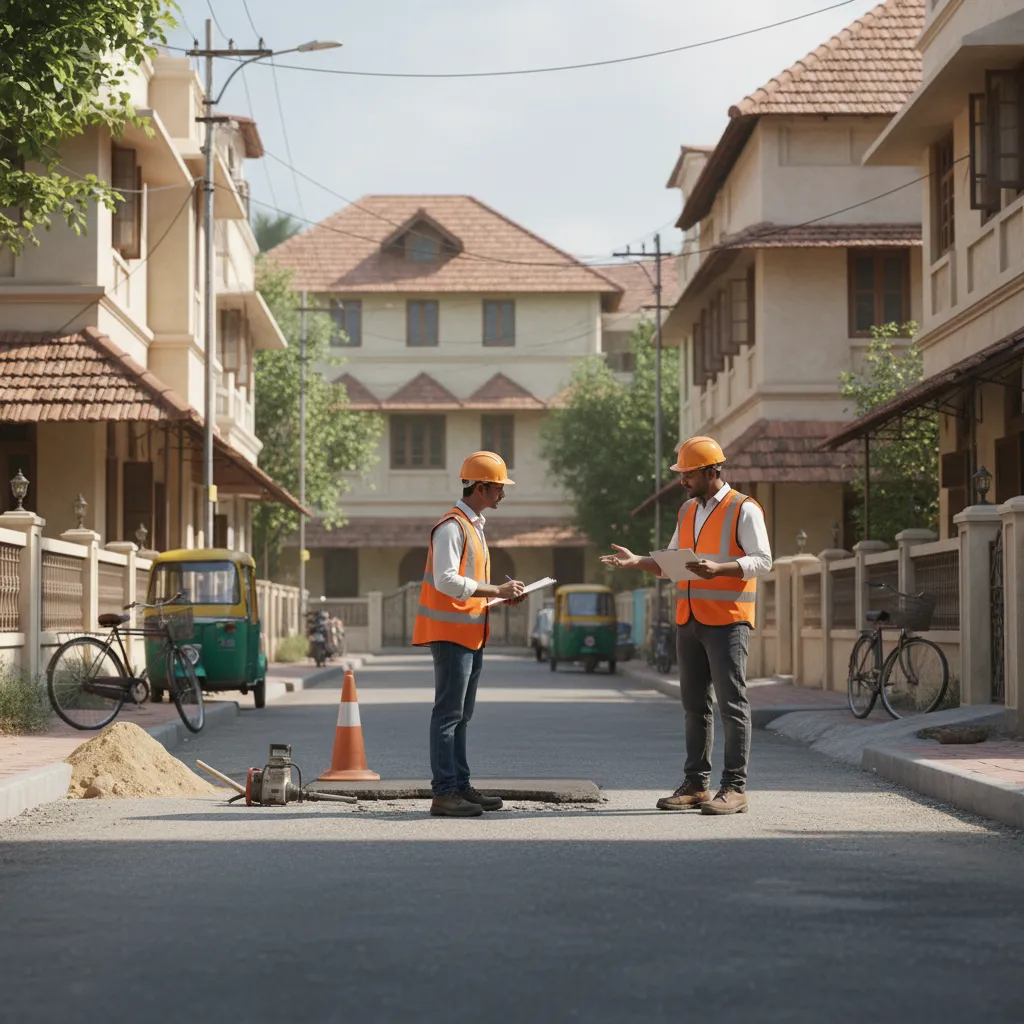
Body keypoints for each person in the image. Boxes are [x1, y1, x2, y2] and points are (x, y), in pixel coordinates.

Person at [600, 436, 772, 815]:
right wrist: (637, 561)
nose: (682, 481)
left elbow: (763, 560)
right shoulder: (687, 511)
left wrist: (719, 568)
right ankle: (696, 784)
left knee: (732, 705)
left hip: (727, 621)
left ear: (711, 471)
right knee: (695, 707)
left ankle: (735, 788)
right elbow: (672, 564)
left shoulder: (744, 508)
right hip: (689, 619)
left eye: (688, 474)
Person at [412, 451, 525, 818]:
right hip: (451, 634)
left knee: (461, 716)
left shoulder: (472, 526)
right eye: (498, 488)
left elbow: (469, 585)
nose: (502, 494)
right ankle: (444, 792)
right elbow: (446, 580)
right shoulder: (452, 526)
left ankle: (460, 786)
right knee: (448, 715)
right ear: (480, 488)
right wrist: (496, 590)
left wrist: (498, 597)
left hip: (470, 633)